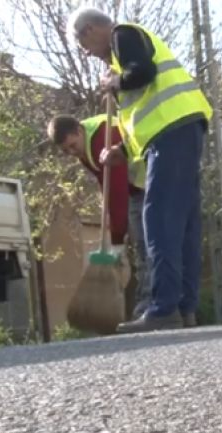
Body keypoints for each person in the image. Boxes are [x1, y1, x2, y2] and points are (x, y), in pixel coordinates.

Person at [66, 7, 212, 332]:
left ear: (90, 30)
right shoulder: (125, 47)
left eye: (84, 46)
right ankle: (184, 308)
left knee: (157, 220)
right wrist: (122, 150)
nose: (88, 54)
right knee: (184, 223)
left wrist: (116, 81)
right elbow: (144, 115)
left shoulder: (123, 35)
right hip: (180, 129)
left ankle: (163, 309)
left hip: (172, 132)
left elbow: (142, 72)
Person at [48, 113, 150, 319]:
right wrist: (110, 220)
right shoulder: (85, 149)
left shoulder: (104, 138)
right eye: (66, 150)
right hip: (137, 186)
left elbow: (118, 189)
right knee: (143, 246)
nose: (71, 152)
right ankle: (148, 304)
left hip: (150, 180)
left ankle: (152, 305)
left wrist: (117, 240)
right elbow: (106, 183)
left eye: (72, 145)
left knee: (146, 245)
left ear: (79, 131)